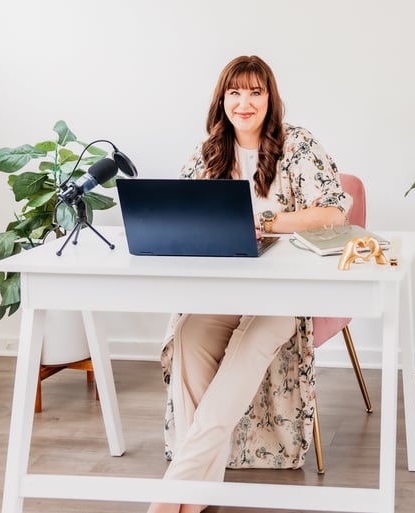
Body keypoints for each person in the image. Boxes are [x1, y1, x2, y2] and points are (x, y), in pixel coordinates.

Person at [148, 55, 352, 513]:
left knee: (251, 344)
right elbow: (181, 215)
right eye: (235, 92)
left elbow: (333, 212)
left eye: (255, 92)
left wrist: (268, 220)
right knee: (187, 334)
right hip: (222, 291)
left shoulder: (296, 144)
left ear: (269, 98)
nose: (244, 102)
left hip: (283, 295)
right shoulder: (208, 154)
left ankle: (174, 493)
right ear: (222, 100)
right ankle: (199, 489)